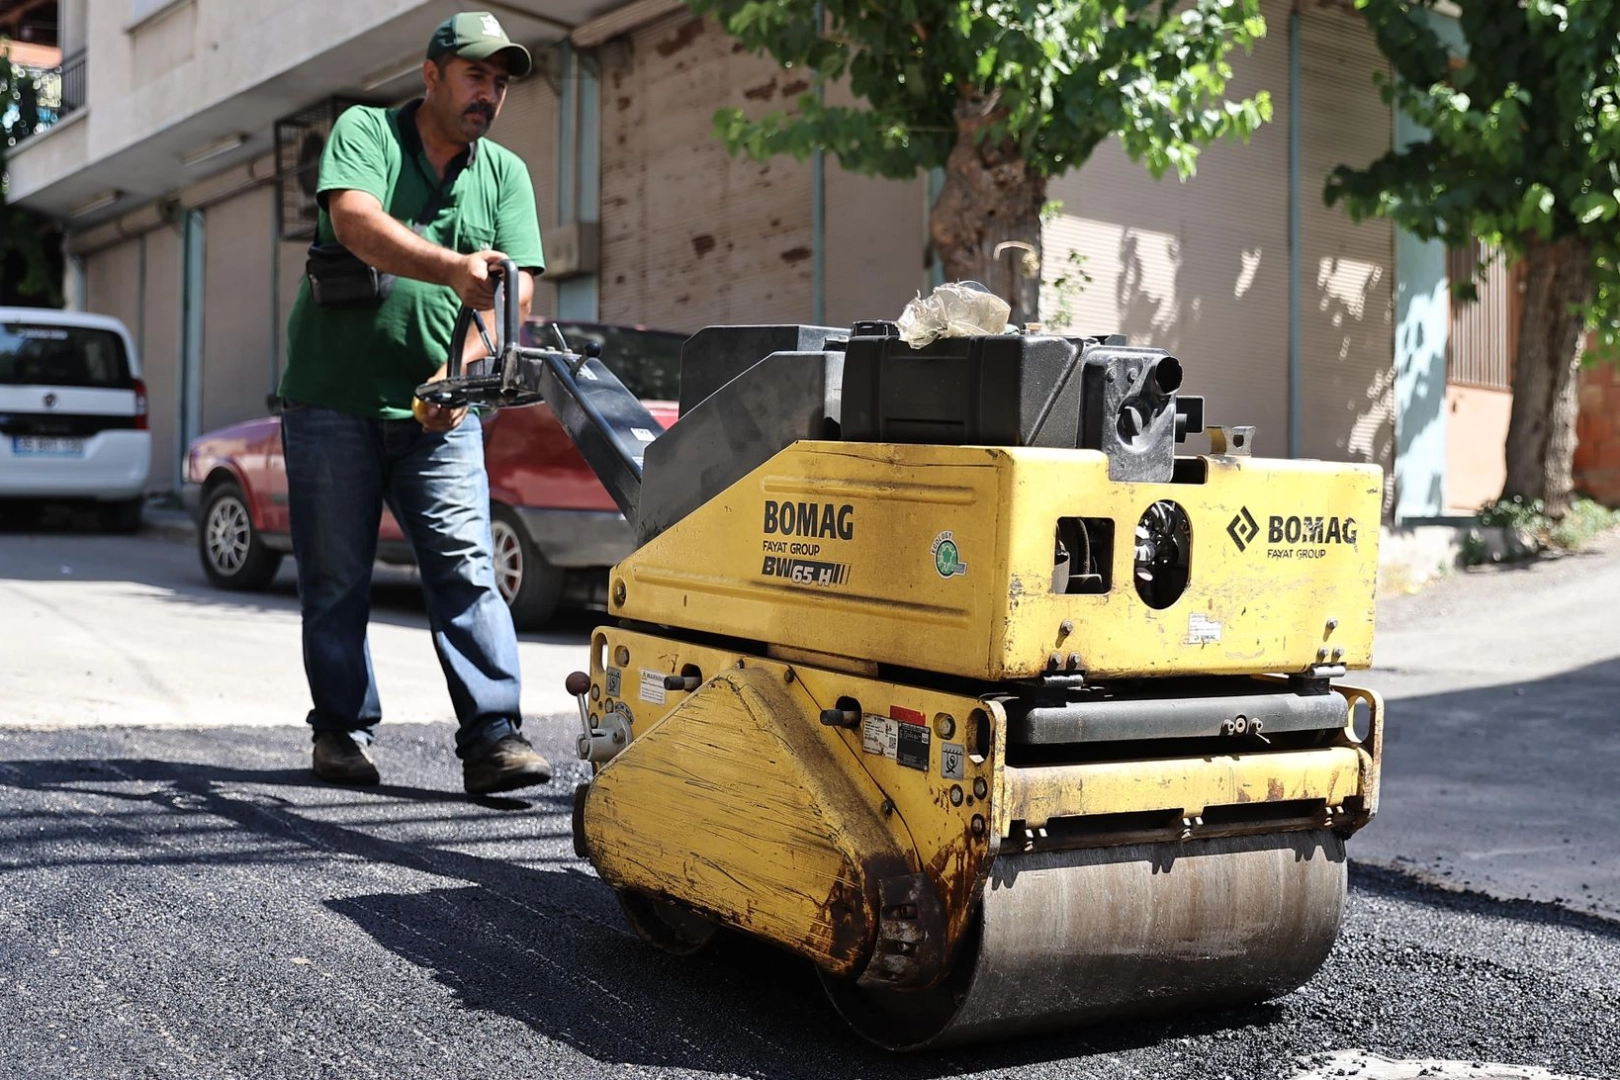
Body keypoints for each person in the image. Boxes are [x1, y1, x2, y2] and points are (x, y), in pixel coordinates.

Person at [276, 12, 551, 795]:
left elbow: (513, 288)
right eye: (476, 75)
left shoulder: (505, 174)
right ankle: (341, 732)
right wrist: (450, 269)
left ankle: (494, 737)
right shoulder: (366, 130)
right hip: (332, 397)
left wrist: (456, 378)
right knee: (335, 577)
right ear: (430, 75)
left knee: (466, 566)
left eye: (500, 82)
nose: (489, 94)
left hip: (439, 410)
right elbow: (353, 219)